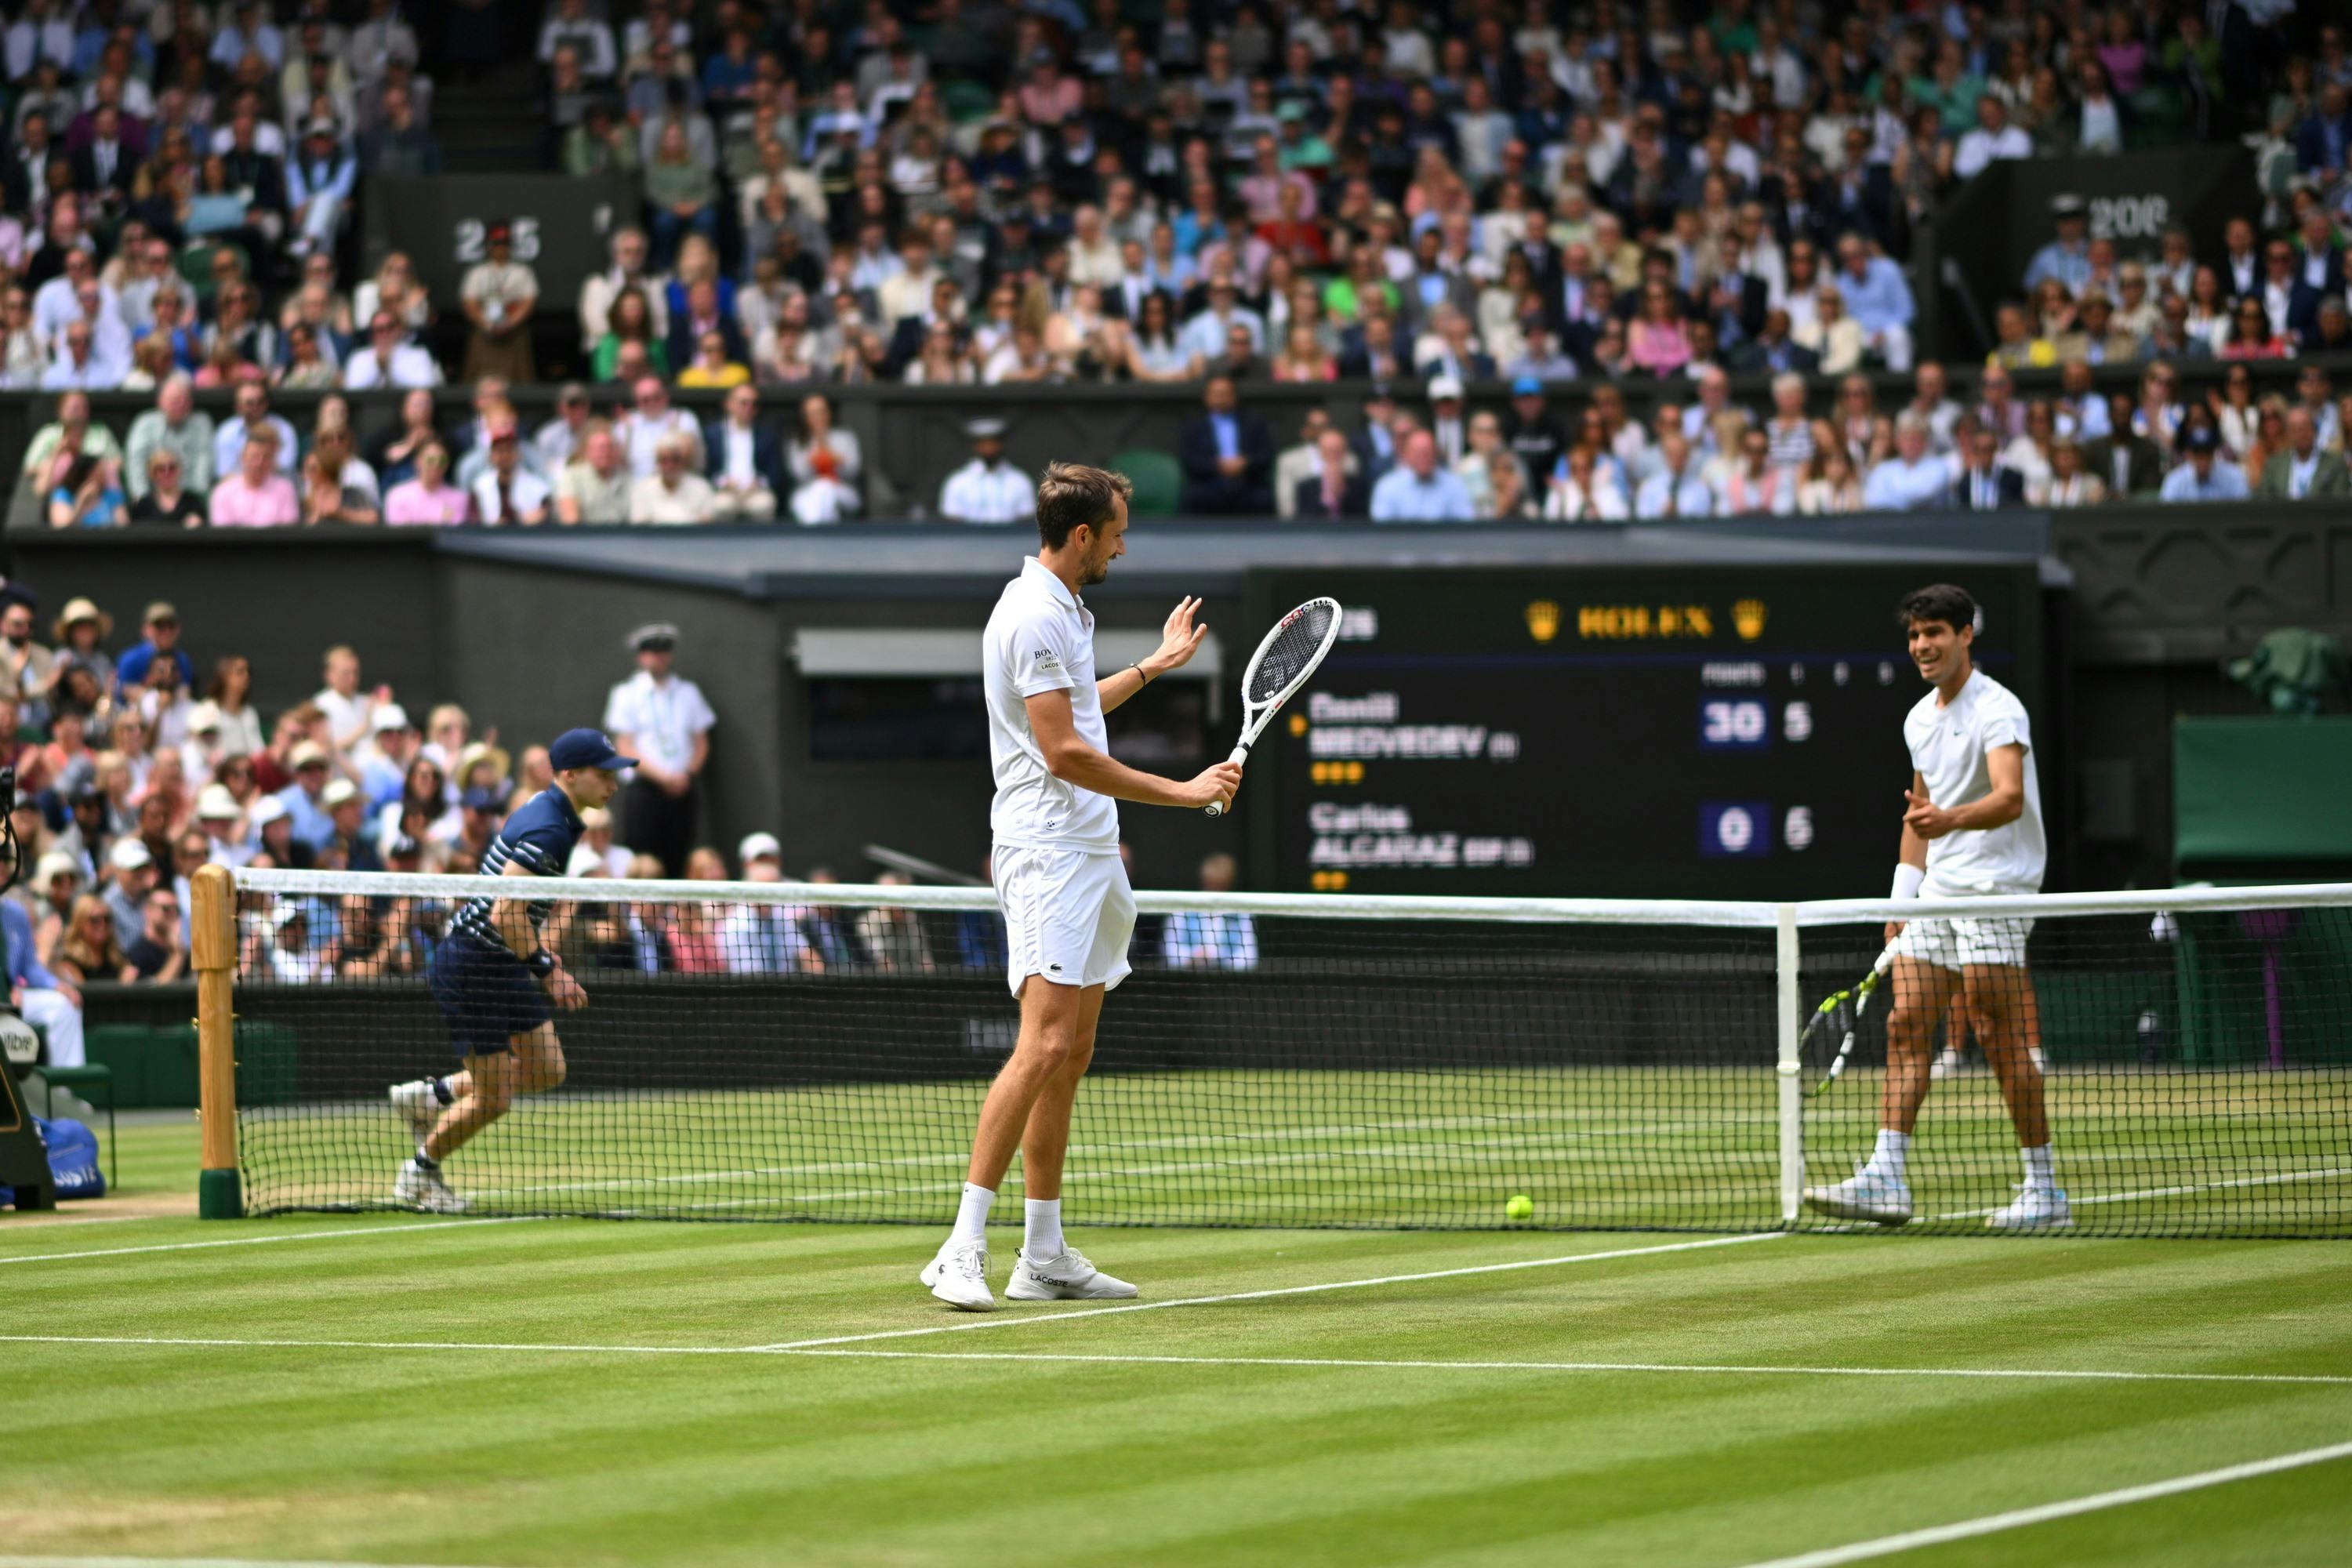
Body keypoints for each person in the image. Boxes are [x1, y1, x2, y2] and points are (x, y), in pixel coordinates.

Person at [924, 462, 1239, 1312]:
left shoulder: (1063, 608)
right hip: (1047, 852)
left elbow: (1072, 715)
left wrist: (1156, 665)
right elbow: (1062, 752)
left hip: (1091, 850)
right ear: (1080, 535)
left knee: (1073, 1052)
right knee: (1042, 1044)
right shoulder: (1030, 614)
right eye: (1117, 531)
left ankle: (1045, 1251)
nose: (1123, 544)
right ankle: (960, 1247)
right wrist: (1183, 791)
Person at [1803, 583, 2065, 1232]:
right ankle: (1886, 1177)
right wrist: (1902, 901)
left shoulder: (1999, 711)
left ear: (1965, 635)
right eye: (1915, 636)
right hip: (1938, 896)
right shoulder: (1919, 719)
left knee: (1995, 1028)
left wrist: (1949, 819)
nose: (1923, 646)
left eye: (1935, 634)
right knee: (1907, 1024)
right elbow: (1918, 816)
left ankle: (2045, 1190)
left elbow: (2007, 797)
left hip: (1997, 890)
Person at [385, 728, 632, 1213]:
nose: (613, 784)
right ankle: (419, 1174)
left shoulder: (556, 813)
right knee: (495, 1099)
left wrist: (536, 952)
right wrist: (547, 970)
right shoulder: (549, 828)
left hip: (502, 959)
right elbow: (505, 913)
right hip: (473, 964)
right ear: (570, 775)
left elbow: (516, 913)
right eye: (603, 775)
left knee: (547, 1069)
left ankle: (434, 1094)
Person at [602, 623, 714, 877]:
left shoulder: (688, 692)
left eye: (664, 650)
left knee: (679, 858)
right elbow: (625, 746)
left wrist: (686, 775)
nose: (658, 656)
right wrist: (663, 777)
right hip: (645, 790)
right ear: (640, 656)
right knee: (643, 861)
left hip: (683, 789)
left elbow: (701, 742)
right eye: (651, 650)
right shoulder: (626, 693)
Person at [1176, 376, 1275, 514]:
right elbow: (1188, 458)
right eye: (1216, 394)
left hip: (1246, 481)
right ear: (1207, 397)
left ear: (1234, 397)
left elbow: (1266, 455)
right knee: (1193, 497)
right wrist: (1217, 465)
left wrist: (1245, 463)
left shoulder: (1253, 423)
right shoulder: (1194, 426)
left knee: (1264, 497)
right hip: (1209, 482)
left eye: (1225, 394)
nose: (1221, 399)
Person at [1160, 853, 1258, 969]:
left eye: (1220, 886)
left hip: (1228, 981)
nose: (1215, 891)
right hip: (1187, 979)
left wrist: (1216, 958)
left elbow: (1249, 957)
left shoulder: (1241, 915)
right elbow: (1171, 953)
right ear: (1204, 882)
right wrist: (1194, 957)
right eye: (1211, 885)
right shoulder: (1181, 911)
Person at [938, 418, 1034, 523]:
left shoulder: (1020, 481)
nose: (989, 449)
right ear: (975, 446)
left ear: (1001, 444)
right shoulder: (957, 482)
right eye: (983, 444)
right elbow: (952, 523)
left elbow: (1026, 521)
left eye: (992, 443)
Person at [1369, 430, 1475, 521]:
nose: (1423, 457)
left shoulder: (1454, 484)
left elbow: (1465, 525)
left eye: (1427, 452)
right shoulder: (1387, 486)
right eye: (1418, 453)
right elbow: (1382, 531)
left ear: (1436, 454)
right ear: (1406, 455)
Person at [2158, 425, 2252, 503]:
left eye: (2206, 452)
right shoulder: (2175, 481)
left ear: (2213, 453)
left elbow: (2244, 514)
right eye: (2197, 453)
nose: (2202, 458)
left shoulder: (2234, 476)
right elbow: (2165, 519)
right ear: (2189, 454)